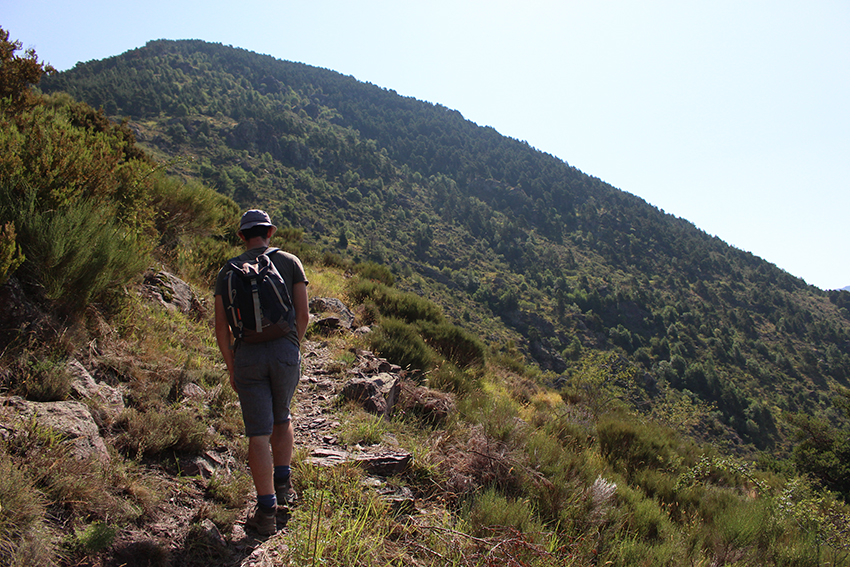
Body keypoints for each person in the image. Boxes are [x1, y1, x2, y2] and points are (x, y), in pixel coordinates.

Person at [214, 209, 309, 535]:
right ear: (270, 232)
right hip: (284, 351)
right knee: (282, 417)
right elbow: (304, 315)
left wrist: (232, 365)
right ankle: (284, 488)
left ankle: (266, 511)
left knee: (257, 433)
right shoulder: (291, 261)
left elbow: (221, 330)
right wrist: (291, 346)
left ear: (242, 236)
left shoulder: (228, 270)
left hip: (247, 357)